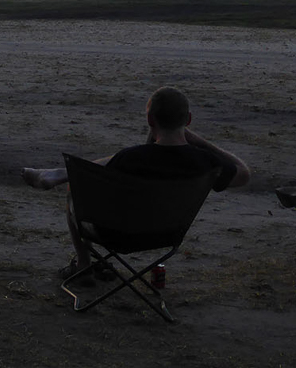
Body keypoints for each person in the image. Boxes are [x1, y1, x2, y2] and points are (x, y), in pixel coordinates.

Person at [21, 86, 249, 283]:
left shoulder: (130, 158)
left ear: (150, 120)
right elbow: (244, 173)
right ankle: (60, 173)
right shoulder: (207, 163)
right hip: (168, 235)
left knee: (75, 188)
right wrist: (200, 142)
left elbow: (92, 187)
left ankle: (83, 262)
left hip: (117, 234)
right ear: (188, 120)